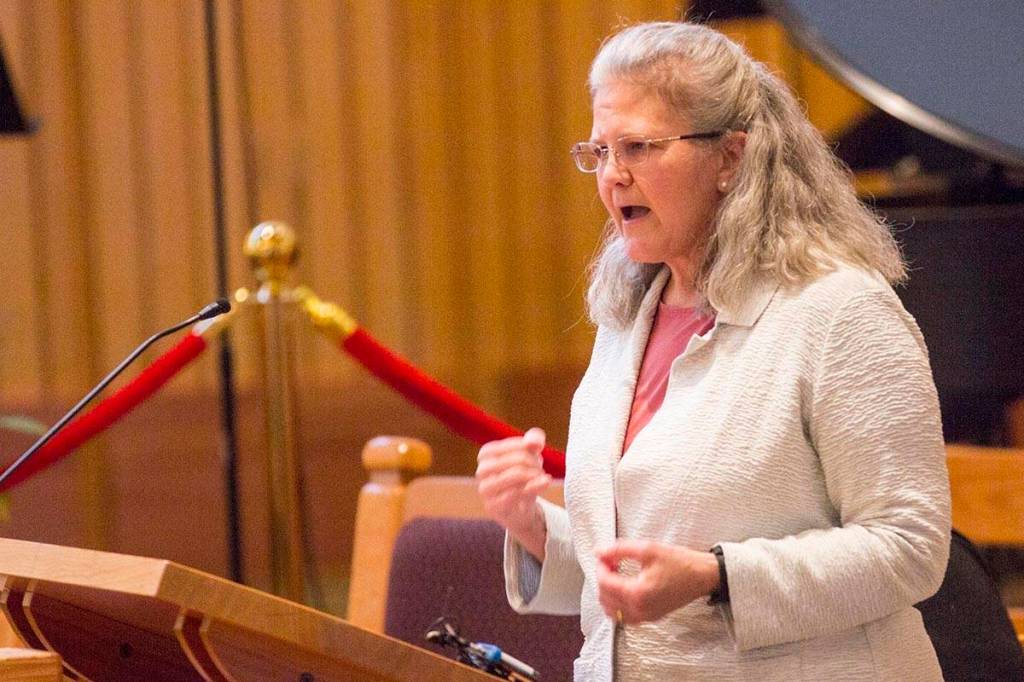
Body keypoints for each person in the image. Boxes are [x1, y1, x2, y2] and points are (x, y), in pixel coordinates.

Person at [475, 21, 950, 681]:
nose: (613, 176)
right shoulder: (630, 314)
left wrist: (718, 577)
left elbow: (910, 548)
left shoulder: (839, 310)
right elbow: (643, 562)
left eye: (638, 146)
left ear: (730, 157)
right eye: (599, 150)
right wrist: (534, 528)